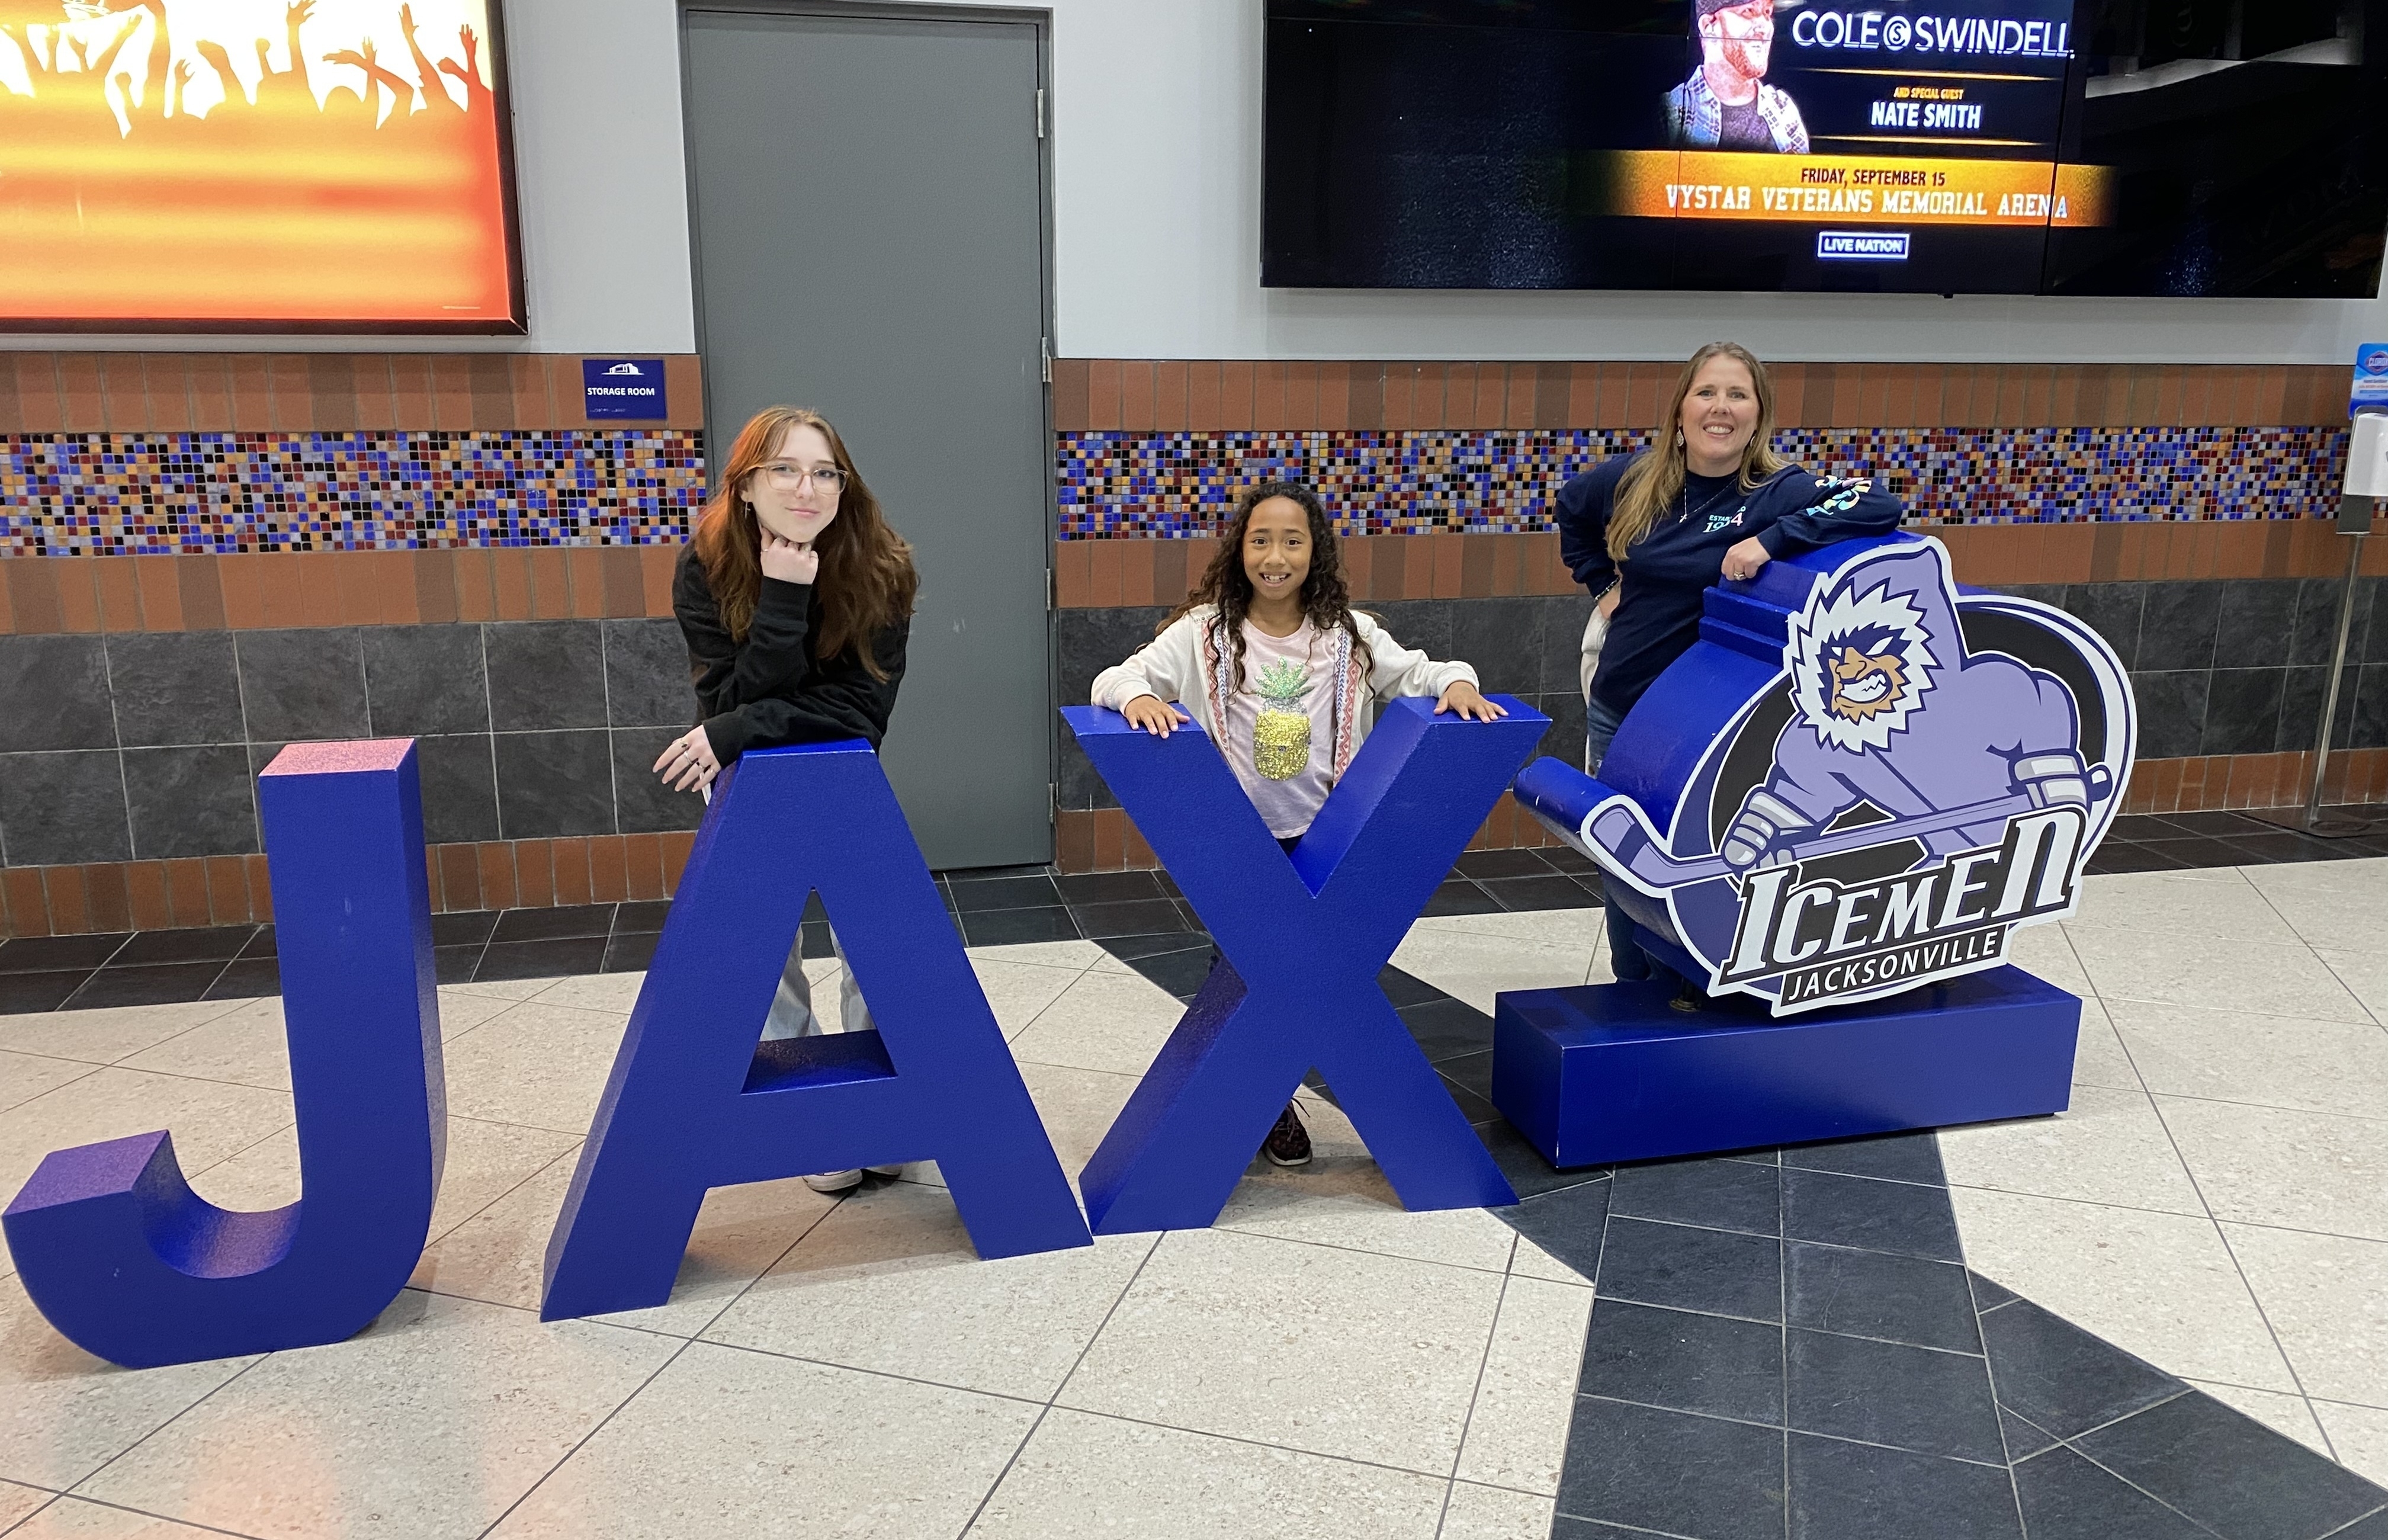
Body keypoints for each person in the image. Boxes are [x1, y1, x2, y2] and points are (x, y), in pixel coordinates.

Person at [1091, 480, 1507, 1167]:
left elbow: (1419, 672)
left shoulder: (1347, 635)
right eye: (1260, 540)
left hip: (1328, 841)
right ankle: (1258, 1103)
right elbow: (1115, 677)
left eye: (1292, 541)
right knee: (1240, 975)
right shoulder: (1204, 633)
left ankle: (1283, 1090)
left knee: (1317, 974)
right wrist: (1137, 697)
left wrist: (1457, 682)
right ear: (1240, 549)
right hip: (1239, 842)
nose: (1275, 556)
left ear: (1315, 552)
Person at [1555, 341, 1904, 1006]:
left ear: (1759, 415)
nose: (1721, 408)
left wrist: (1771, 539)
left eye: (1738, 395)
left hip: (1706, 723)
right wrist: (1602, 583)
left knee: (1692, 858)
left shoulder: (1775, 491)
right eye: (1707, 392)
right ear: (1681, 410)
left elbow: (1876, 503)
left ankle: (1689, 993)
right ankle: (1634, 994)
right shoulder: (1634, 479)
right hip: (1624, 706)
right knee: (1622, 857)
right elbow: (1572, 508)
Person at [655, 405, 919, 1193]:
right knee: (766, 956)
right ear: (744, 486)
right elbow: (731, 695)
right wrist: (781, 596)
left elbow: (860, 714)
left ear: (844, 486)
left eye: (824, 473)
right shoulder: (706, 566)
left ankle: (887, 1106)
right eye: (785, 470)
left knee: (876, 946)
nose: (807, 489)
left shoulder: (882, 566)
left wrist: (737, 727)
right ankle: (811, 1119)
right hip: (749, 785)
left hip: (844, 775)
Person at [1664, 0, 1809, 153]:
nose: (1765, 28)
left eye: (1767, 12)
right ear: (1708, 26)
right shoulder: (1672, 111)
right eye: (1748, 11)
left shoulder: (1783, 109)